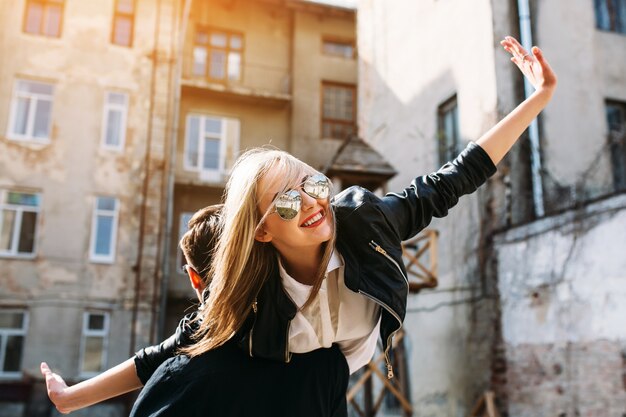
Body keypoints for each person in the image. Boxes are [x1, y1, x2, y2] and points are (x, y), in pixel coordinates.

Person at [169, 36, 557, 380]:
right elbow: (165, 355)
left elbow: (452, 180)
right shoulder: (251, 290)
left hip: (337, 379)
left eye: (313, 184)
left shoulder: (363, 222)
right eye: (286, 201)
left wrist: (538, 97)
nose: (311, 203)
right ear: (262, 231)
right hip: (286, 387)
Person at [40, 204, 224, 414]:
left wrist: (68, 398)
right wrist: (67, 398)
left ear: (193, 277)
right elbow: (154, 357)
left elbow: (152, 359)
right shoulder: (264, 321)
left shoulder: (184, 368)